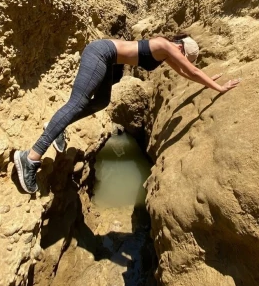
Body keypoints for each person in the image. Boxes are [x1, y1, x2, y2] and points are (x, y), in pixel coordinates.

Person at [14, 34, 240, 194]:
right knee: (78, 102)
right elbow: (192, 70)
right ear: (181, 48)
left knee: (101, 101)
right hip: (100, 53)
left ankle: (56, 126)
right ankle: (31, 157)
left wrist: (210, 82)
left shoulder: (165, 53)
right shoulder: (165, 45)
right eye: (185, 56)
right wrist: (218, 88)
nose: (182, 59)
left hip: (108, 60)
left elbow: (187, 73)